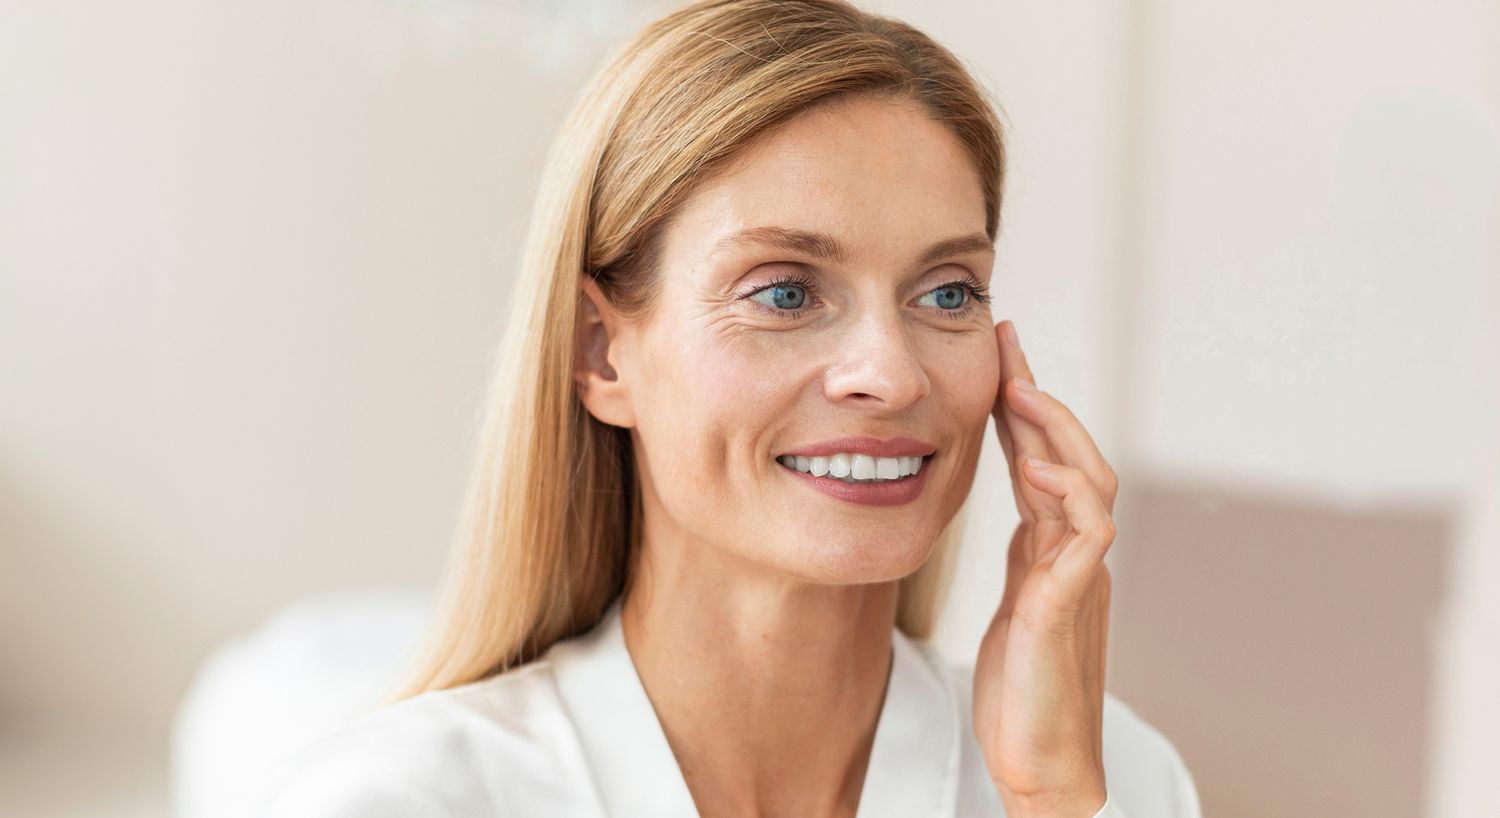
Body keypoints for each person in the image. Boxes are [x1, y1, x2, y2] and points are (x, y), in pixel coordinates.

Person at [265, 0, 1202, 816]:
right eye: (786, 292)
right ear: (601, 353)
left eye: (948, 292)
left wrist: (1054, 803)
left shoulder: (1110, 779)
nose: (893, 373)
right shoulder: (405, 799)